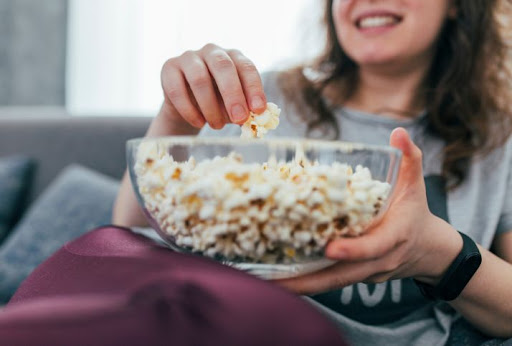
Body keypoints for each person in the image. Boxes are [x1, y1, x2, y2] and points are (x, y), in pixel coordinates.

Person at [113, 0, 512, 344]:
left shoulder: (500, 137)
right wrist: (177, 118)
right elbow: (131, 236)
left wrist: (439, 253)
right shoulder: (257, 99)